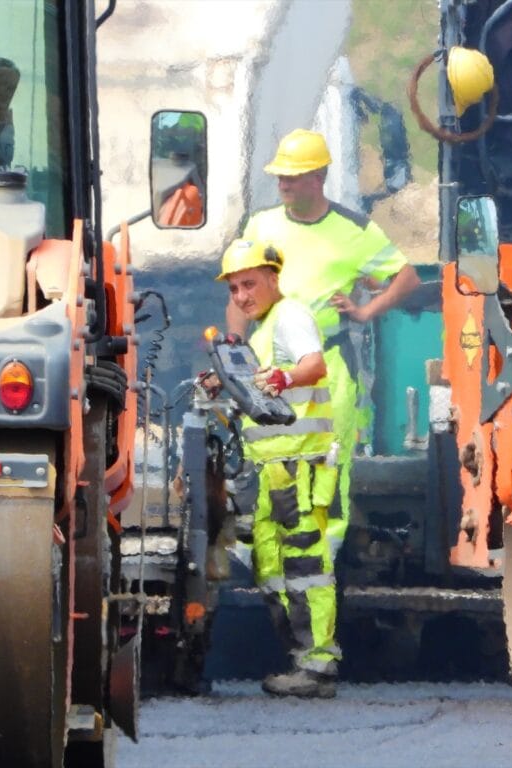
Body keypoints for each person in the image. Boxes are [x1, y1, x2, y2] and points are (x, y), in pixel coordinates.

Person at [226, 129, 420, 557]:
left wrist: (368, 311)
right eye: (279, 176)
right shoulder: (261, 225)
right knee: (266, 460)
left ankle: (320, 559)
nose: (282, 184)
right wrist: (233, 349)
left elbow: (406, 278)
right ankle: (267, 551)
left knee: (327, 465)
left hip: (328, 367)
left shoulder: (354, 231)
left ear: (318, 178)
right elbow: (241, 294)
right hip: (265, 366)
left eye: (291, 176)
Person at [217, 238, 341, 699]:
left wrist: (285, 376)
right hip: (273, 474)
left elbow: (313, 364)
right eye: (233, 290)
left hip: (298, 471)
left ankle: (319, 666)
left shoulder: (290, 317)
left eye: (249, 283)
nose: (242, 296)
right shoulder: (263, 331)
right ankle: (302, 663)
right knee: (273, 569)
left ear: (273, 278)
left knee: (306, 567)